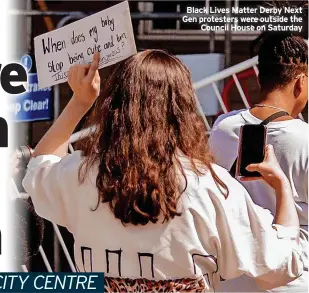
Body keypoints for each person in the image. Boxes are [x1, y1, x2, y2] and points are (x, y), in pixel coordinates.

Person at [23, 50, 303, 292]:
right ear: (182, 111)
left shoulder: (82, 174)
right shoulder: (209, 187)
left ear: (114, 107)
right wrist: (282, 188)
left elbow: (39, 166)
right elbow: (280, 267)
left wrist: (80, 102)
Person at [209, 33, 308, 292]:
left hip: (234, 277)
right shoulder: (306, 138)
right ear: (300, 82)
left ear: (258, 78)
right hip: (294, 277)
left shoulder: (223, 128)